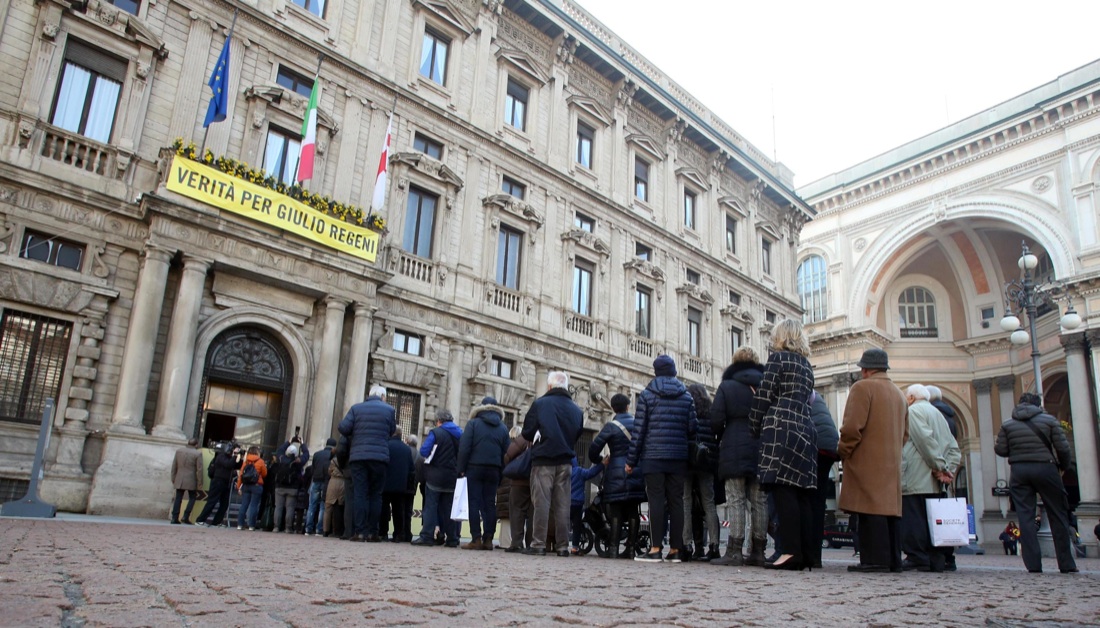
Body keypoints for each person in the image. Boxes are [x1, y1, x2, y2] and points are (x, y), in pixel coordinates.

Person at [748, 319, 818, 571]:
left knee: (784, 489)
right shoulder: (807, 366)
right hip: (805, 428)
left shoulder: (778, 360)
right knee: (801, 493)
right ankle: (806, 553)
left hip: (781, 427)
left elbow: (764, 396)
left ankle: (789, 551)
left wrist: (754, 427)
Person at [838, 348, 908, 573]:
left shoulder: (862, 388)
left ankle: (874, 560)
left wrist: (844, 451)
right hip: (892, 461)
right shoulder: (898, 394)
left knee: (869, 510)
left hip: (866, 460)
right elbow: (906, 433)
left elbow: (851, 427)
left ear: (865, 369)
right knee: (889, 511)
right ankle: (892, 560)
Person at [995, 392, 1078, 574]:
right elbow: (1063, 447)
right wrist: (1063, 467)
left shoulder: (1008, 424)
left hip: (1019, 470)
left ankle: (1033, 565)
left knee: (1025, 518)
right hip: (1046, 468)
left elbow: (1000, 449)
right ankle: (1066, 563)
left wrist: (1017, 453)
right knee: (1058, 514)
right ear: (1038, 405)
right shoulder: (1049, 421)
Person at [626, 355, 697, 563]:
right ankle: (676, 549)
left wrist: (631, 461)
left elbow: (638, 431)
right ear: (674, 370)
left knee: (656, 500)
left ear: (656, 371)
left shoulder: (647, 395)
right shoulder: (686, 396)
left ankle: (655, 548)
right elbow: (693, 429)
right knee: (676, 502)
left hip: (653, 456)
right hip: (678, 458)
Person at [710, 346, 766, 567]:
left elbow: (716, 418)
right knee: (759, 501)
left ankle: (734, 550)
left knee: (735, 499)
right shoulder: (766, 385)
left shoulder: (727, 386)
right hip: (761, 447)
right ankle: (759, 551)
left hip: (733, 445)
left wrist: (722, 434)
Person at [521, 371, 584, 557]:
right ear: (566, 387)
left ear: (549, 386)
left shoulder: (540, 404)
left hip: (543, 460)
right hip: (566, 461)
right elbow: (577, 433)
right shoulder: (576, 410)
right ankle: (563, 546)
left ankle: (538, 544)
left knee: (541, 502)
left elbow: (527, 432)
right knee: (563, 504)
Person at [900, 384, 961, 572]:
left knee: (914, 519)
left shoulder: (914, 412)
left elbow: (925, 442)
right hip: (937, 481)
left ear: (910, 397)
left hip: (917, 476)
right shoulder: (939, 415)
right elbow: (953, 448)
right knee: (933, 521)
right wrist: (948, 470)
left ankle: (917, 557)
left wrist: (940, 467)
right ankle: (938, 559)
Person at [589, 394, 647, 559]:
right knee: (633, 510)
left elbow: (593, 450)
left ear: (613, 408)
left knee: (616, 511)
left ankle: (613, 548)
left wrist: (601, 460)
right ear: (628, 406)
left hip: (615, 472)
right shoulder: (638, 424)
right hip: (636, 470)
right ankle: (630, 549)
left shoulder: (611, 426)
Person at [337, 384, 397, 542]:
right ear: (383, 397)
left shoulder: (356, 409)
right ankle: (372, 532)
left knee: (360, 493)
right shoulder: (389, 410)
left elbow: (343, 428)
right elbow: (391, 431)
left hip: (358, 457)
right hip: (380, 457)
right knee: (376, 494)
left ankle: (360, 532)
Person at [457, 396, 511, 550]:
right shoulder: (502, 428)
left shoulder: (473, 424)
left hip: (474, 467)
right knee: (490, 504)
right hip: (493, 469)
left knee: (473, 502)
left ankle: (476, 538)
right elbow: (506, 453)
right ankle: (488, 539)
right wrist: (501, 471)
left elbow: (464, 448)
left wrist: (461, 468)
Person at [412, 410, 463, 547]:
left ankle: (427, 536)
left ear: (439, 421)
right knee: (449, 508)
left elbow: (424, 451)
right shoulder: (461, 434)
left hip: (435, 476)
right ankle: (452, 538)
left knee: (431, 506)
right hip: (453, 476)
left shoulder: (436, 432)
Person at [684, 383, 720, 561]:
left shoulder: (687, 408)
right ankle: (714, 545)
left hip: (689, 460)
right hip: (706, 461)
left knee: (686, 502)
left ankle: (686, 544)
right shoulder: (711, 411)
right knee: (709, 503)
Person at [807, 391, 839, 569]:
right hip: (829, 447)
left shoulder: (797, 390)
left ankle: (806, 554)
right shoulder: (817, 396)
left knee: (807, 501)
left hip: (815, 446)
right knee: (818, 503)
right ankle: (815, 556)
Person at [503, 426, 534, 552]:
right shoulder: (543, 438)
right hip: (536, 480)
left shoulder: (524, 438)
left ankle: (516, 542)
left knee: (516, 510)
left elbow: (508, 455)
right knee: (534, 512)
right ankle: (531, 543)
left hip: (519, 481)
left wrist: (513, 466)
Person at [382, 428, 415, 543]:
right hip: (401, 485)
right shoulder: (406, 449)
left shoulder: (386, 445)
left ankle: (383, 533)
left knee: (384, 509)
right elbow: (412, 468)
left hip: (386, 483)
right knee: (398, 511)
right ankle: (398, 534)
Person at [195, 442, 238, 527]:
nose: (234, 451)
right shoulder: (221, 457)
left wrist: (239, 457)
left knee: (224, 504)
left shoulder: (230, 457)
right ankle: (200, 520)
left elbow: (236, 465)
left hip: (226, 482)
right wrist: (235, 455)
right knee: (212, 501)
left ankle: (217, 521)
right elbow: (228, 464)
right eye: (233, 450)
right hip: (218, 481)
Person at [570, 456, 604, 554]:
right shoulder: (579, 471)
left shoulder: (563, 472)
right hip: (577, 503)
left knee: (562, 524)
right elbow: (591, 473)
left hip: (565, 503)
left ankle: (560, 545)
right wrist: (602, 465)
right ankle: (575, 547)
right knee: (577, 525)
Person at [270, 444, 304, 533]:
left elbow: (280, 449)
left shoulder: (281, 459)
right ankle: (288, 528)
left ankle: (276, 527)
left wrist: (288, 442)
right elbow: (307, 454)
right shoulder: (298, 462)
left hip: (280, 486)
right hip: (292, 488)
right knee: (290, 508)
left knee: (278, 507)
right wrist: (303, 444)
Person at [305, 438, 336, 536]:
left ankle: (308, 528)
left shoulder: (317, 454)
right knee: (323, 507)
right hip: (326, 482)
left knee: (312, 506)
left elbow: (312, 468)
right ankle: (319, 529)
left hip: (315, 481)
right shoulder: (333, 456)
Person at [170, 438, 204, 525]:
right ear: (196, 445)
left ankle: (174, 517)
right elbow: (199, 469)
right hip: (191, 478)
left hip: (179, 478)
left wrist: (173, 477)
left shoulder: (179, 451)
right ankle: (185, 516)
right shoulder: (197, 453)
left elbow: (174, 466)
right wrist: (200, 482)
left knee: (178, 498)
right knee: (192, 498)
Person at [236, 446, 268, 530]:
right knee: (254, 505)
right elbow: (264, 474)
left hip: (246, 485)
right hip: (257, 485)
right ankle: (251, 525)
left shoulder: (246, 462)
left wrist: (239, 486)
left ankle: (240, 524)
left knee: (244, 505)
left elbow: (241, 475)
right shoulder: (260, 461)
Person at [324, 454, 346, 538]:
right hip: (343, 482)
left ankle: (325, 530)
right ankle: (337, 530)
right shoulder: (346, 460)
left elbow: (329, 471)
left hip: (333, 482)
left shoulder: (333, 461)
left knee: (328, 507)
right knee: (340, 507)